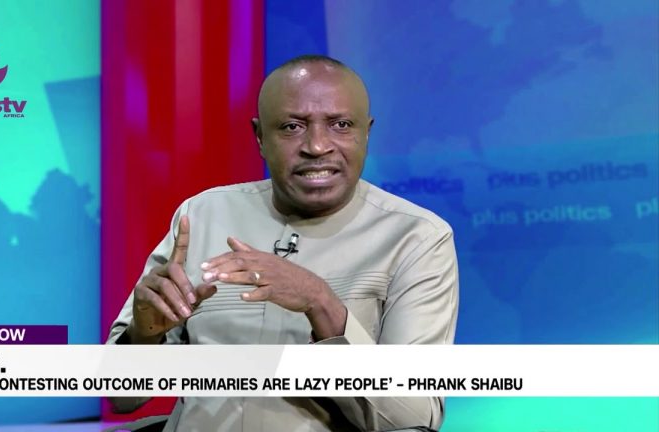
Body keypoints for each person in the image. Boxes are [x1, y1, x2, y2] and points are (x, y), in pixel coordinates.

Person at [107, 55, 459, 432]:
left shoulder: (416, 239)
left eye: (341, 125)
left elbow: (412, 418)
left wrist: (322, 304)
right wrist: (144, 335)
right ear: (260, 137)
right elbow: (121, 397)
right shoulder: (202, 214)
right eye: (292, 127)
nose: (317, 146)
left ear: (366, 133)